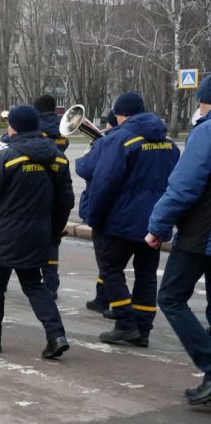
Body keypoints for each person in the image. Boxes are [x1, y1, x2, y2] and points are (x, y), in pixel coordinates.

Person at [0, 105, 74, 359]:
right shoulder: (58, 157)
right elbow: (65, 202)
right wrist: (53, 233)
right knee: (35, 285)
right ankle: (56, 335)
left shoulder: (8, 157)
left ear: (13, 127)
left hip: (3, 235)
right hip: (37, 235)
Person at [84, 92, 178, 347]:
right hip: (156, 221)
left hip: (122, 220)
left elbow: (104, 181)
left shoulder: (122, 139)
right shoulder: (169, 142)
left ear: (120, 114)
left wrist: (94, 216)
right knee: (146, 274)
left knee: (110, 268)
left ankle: (125, 323)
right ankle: (143, 330)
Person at [147, 76, 211, 404]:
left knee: (171, 297)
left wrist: (157, 227)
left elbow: (183, 188)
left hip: (202, 235)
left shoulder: (206, 133)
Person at [76, 110, 118, 315]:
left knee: (106, 259)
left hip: (107, 211)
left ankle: (110, 302)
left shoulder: (105, 143)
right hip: (133, 212)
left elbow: (85, 169)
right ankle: (104, 296)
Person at [33, 94, 69, 300]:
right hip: (58, 181)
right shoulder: (62, 127)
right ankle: (51, 283)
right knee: (53, 237)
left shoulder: (35, 126)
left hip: (37, 183)